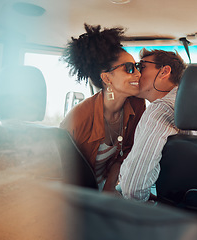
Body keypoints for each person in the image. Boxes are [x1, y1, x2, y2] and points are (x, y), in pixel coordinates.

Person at [60, 24, 145, 192]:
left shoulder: (137, 105)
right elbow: (59, 172)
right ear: (107, 78)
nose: (138, 73)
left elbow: (128, 150)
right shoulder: (78, 119)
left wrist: (109, 189)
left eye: (137, 66)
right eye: (129, 68)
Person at [119, 48, 188, 201]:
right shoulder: (196, 108)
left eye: (141, 67)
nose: (135, 73)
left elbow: (132, 189)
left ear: (164, 71)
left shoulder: (161, 109)